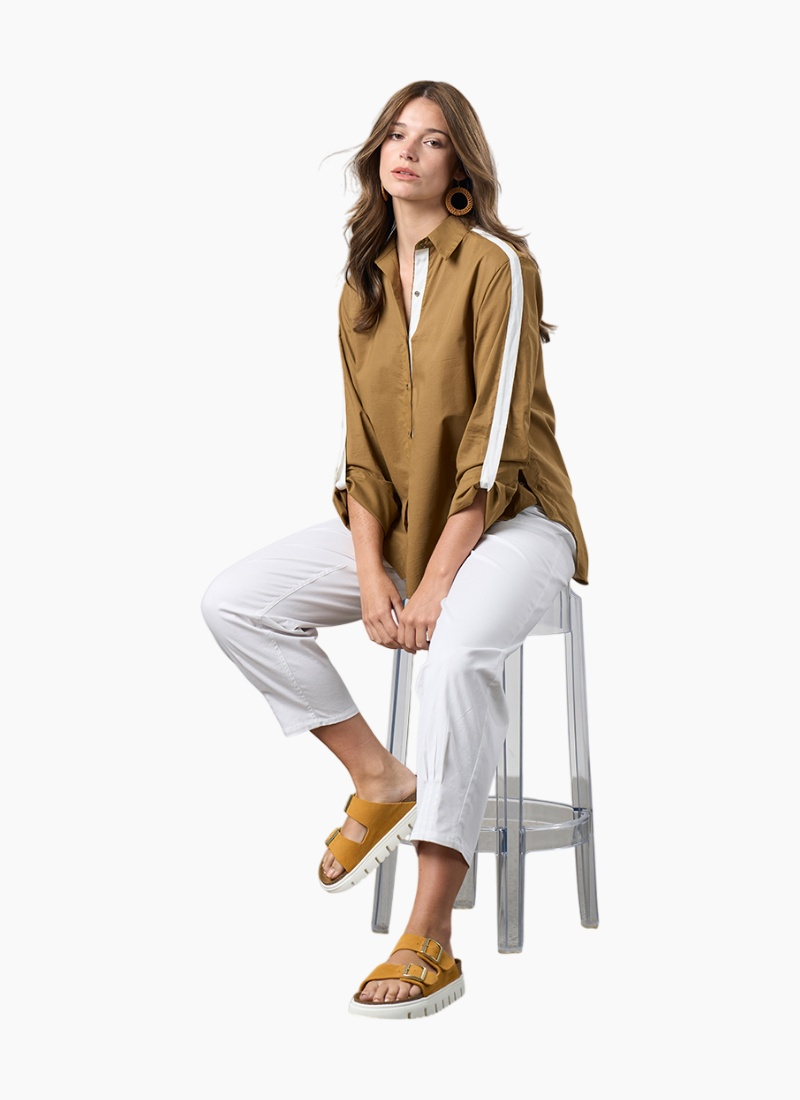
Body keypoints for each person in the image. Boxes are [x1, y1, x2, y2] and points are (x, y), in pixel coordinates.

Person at [201, 80, 588, 1018]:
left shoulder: (498, 265)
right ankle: (379, 779)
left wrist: (436, 584)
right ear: (379, 153)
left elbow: (493, 450)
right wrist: (373, 574)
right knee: (236, 602)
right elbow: (361, 455)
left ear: (461, 166)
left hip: (515, 522)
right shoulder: (362, 283)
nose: (408, 150)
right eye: (397, 135)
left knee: (453, 653)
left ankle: (432, 934)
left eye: (433, 139)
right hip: (405, 526)